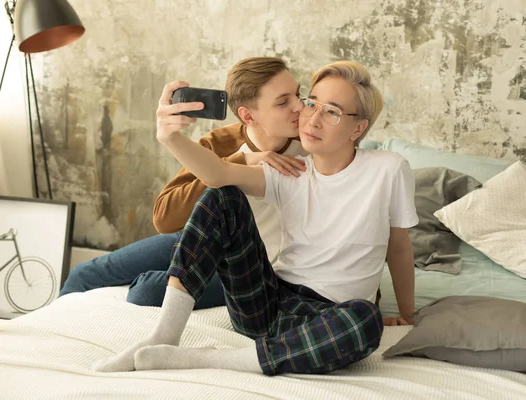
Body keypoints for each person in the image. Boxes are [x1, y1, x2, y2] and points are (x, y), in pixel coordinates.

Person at [92, 60, 418, 376]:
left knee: (366, 319)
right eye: (311, 103)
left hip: (329, 316)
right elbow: (217, 174)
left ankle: (210, 360)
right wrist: (170, 137)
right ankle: (164, 338)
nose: (311, 118)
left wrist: (406, 313)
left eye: (331, 111)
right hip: (265, 304)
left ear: (358, 128)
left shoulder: (388, 169)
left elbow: (399, 247)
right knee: (223, 196)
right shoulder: (288, 170)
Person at [59, 57, 308, 308]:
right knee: (83, 273)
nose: (299, 106)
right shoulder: (219, 143)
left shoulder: (312, 142)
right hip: (203, 241)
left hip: (248, 266)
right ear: (248, 116)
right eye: (283, 102)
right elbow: (164, 217)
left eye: (298, 94)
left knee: (145, 290)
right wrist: (240, 161)